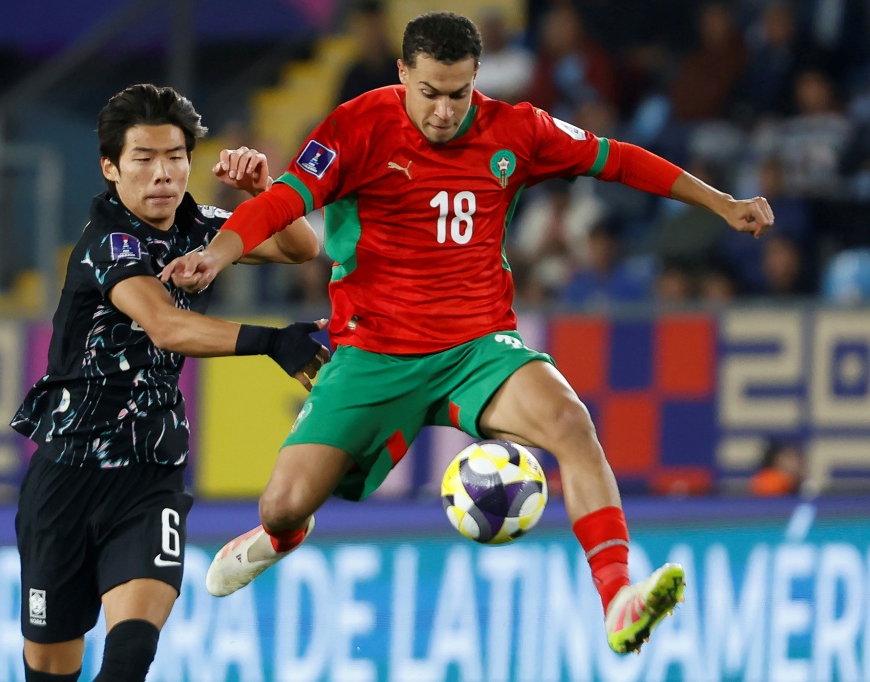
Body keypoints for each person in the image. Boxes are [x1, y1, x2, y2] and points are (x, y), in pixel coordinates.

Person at [163, 12, 774, 655]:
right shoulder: (356, 125)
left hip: (477, 347)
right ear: (403, 74)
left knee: (571, 422)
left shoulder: (517, 129)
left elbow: (616, 160)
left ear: (475, 78)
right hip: (374, 350)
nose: (444, 111)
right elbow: (285, 200)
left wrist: (723, 202)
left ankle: (617, 595)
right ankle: (281, 539)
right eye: (429, 93)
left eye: (458, 93)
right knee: (282, 505)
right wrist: (220, 254)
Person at [10, 83, 330, 682]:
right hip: (64, 484)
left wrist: (266, 194)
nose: (163, 174)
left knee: (129, 659)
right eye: (144, 159)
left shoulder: (197, 226)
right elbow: (164, 325)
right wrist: (272, 340)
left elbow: (301, 248)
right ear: (111, 168)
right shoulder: (107, 243)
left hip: (149, 477)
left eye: (176, 156)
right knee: (52, 672)